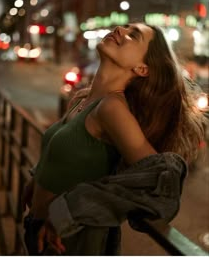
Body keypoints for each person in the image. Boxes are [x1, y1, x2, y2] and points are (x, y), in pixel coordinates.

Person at [22, 23, 205, 255]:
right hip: (38, 231)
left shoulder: (112, 109)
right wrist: (39, 179)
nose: (120, 30)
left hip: (69, 240)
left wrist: (71, 208)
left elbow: (160, 181)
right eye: (125, 27)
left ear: (142, 68)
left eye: (133, 35)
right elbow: (65, 155)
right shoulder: (82, 100)